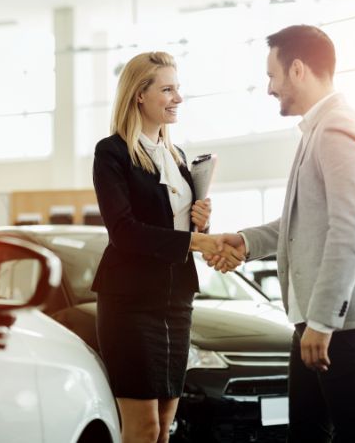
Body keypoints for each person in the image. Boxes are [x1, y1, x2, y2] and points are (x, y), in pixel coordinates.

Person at [209, 25, 355, 442]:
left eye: (271, 76)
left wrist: (321, 322)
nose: (269, 88)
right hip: (322, 323)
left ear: (297, 70)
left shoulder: (337, 129)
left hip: (346, 325)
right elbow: (305, 222)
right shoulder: (319, 129)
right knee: (306, 434)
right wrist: (246, 243)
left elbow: (350, 231)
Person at [92, 51, 239, 443]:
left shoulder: (177, 156)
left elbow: (175, 225)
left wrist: (200, 220)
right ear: (139, 95)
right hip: (131, 303)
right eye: (168, 89)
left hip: (176, 301)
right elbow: (124, 230)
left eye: (179, 89)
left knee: (164, 425)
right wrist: (195, 239)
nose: (178, 98)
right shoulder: (112, 153)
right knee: (143, 427)